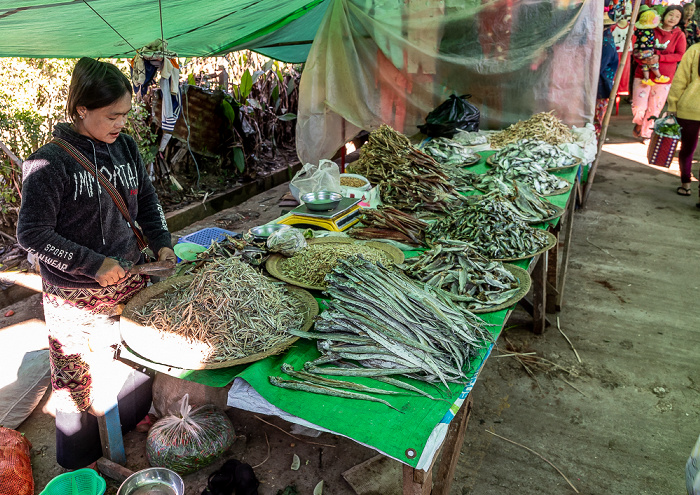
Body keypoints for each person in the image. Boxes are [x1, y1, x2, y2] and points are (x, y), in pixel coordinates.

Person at [16, 57, 176, 469]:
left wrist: (161, 244)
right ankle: (80, 458)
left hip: (129, 278)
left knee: (132, 355)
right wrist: (92, 264)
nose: (120, 123)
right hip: (74, 293)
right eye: (112, 115)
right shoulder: (49, 164)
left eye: (125, 113)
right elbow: (31, 235)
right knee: (76, 375)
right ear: (81, 110)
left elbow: (148, 202)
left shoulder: (124, 147)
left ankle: (128, 421)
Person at [631, 5, 686, 141]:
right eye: (671, 14)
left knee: (654, 108)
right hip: (642, 75)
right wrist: (643, 58)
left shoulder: (679, 35)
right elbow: (637, 48)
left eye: (677, 16)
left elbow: (680, 55)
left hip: (664, 78)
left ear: (680, 20)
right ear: (664, 15)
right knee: (639, 106)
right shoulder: (649, 29)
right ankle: (639, 122)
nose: (673, 18)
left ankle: (646, 134)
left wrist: (660, 57)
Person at [666, 41, 700, 199]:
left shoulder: (695, 49)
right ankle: (687, 183)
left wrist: (673, 104)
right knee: (688, 148)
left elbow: (680, 80)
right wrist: (672, 105)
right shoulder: (695, 49)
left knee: (687, 149)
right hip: (690, 110)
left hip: (689, 108)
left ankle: (686, 184)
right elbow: (680, 80)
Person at [595, 11, 620, 136]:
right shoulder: (603, 39)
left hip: (601, 87)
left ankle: (595, 141)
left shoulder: (606, 44)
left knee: (596, 120)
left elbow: (596, 69)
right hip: (599, 86)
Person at [633, 9, 671, 85]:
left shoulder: (638, 31)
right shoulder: (650, 31)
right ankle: (658, 76)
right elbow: (650, 42)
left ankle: (646, 78)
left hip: (638, 51)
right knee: (653, 63)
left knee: (644, 64)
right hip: (646, 50)